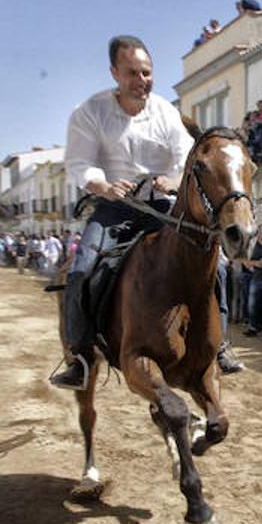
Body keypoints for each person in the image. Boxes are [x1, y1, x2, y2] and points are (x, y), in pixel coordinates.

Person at [51, 35, 194, 390]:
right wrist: (104, 186)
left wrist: (174, 180)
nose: (141, 80)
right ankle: (80, 357)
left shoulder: (166, 112)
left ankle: (218, 346)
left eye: (146, 72)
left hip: (161, 207)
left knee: (215, 264)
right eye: (132, 72)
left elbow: (186, 156)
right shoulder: (90, 112)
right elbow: (79, 164)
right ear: (114, 72)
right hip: (116, 208)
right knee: (81, 270)